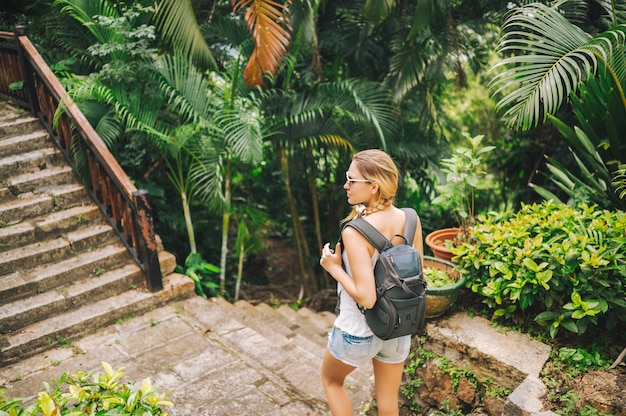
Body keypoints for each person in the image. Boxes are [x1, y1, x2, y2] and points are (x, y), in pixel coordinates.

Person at [319, 149, 424, 416]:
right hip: (399, 326)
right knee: (388, 402)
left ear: (373, 186)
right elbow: (418, 276)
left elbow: (367, 298)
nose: (346, 185)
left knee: (332, 381)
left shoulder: (355, 232)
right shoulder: (410, 219)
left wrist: (333, 267)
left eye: (351, 180)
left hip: (358, 331)